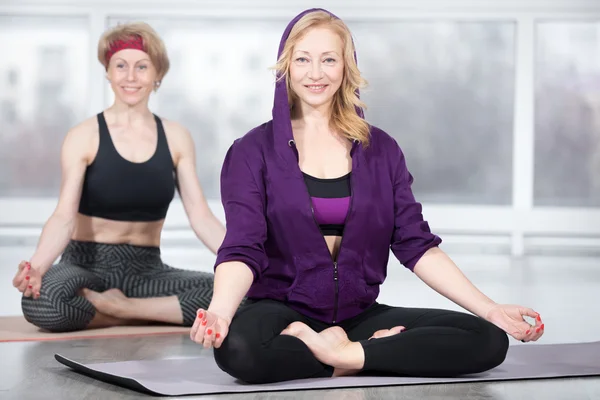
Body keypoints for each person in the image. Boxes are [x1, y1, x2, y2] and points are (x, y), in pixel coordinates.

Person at [190, 8, 545, 383]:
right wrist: (221, 314)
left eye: (328, 59)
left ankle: (343, 351)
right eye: (303, 60)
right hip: (281, 310)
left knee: (486, 339)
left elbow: (418, 246)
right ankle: (368, 351)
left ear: (346, 66)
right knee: (239, 349)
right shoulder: (251, 151)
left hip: (360, 314)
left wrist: (490, 310)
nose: (315, 73)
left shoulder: (381, 150)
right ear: (286, 67)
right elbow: (242, 247)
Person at [12, 22, 225, 333]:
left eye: (141, 67)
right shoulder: (83, 136)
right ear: (108, 72)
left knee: (242, 293)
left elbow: (202, 217)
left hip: (147, 271)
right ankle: (149, 313)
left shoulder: (177, 138)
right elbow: (62, 217)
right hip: (84, 267)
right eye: (120, 66)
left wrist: (244, 264)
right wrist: (39, 267)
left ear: (157, 75)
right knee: (43, 302)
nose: (130, 76)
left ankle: (120, 309)